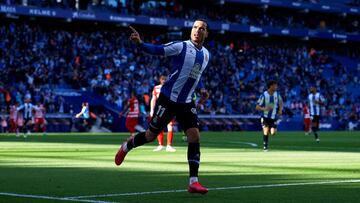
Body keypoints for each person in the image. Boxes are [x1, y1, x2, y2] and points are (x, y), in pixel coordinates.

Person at [115, 19, 211, 194]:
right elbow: (158, 50)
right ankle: (126, 146)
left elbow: (195, 74)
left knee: (194, 136)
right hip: (168, 99)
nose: (198, 31)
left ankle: (193, 182)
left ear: (206, 33)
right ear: (191, 30)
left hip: (186, 102)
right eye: (195, 27)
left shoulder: (206, 54)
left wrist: (202, 89)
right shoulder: (181, 46)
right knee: (151, 135)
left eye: (202, 29)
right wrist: (140, 43)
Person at [150, 75, 176, 152]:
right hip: (159, 110)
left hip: (169, 110)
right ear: (160, 80)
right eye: (162, 79)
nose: (164, 80)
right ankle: (160, 145)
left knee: (170, 127)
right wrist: (152, 110)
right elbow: (153, 99)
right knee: (158, 127)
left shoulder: (170, 87)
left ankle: (169, 145)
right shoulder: (156, 88)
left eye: (165, 79)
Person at [256, 80, 283, 151]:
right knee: (265, 130)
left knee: (273, 133)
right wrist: (264, 108)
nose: (276, 87)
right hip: (265, 117)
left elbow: (281, 102)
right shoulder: (264, 95)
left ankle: (269, 129)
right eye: (275, 85)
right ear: (271, 86)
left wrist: (280, 110)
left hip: (273, 117)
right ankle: (265, 146)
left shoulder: (277, 95)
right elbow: (257, 107)